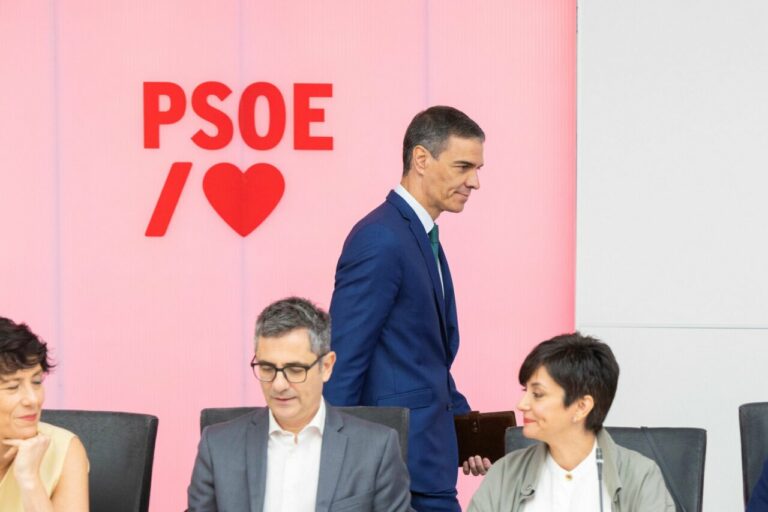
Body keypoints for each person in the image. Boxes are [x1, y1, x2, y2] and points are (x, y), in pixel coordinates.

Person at [323, 105, 488, 511]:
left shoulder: (417, 235)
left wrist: (465, 427)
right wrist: (335, 471)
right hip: (393, 473)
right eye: (463, 166)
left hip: (427, 464)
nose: (475, 182)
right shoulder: (381, 239)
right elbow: (342, 360)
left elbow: (419, 358)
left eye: (477, 168)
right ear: (421, 159)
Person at [187, 297, 412, 512]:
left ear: (326, 366)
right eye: (267, 368)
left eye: (295, 370)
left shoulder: (375, 449)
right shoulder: (217, 446)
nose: (279, 384)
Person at [467, 332, 675, 511]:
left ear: (582, 406)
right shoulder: (504, 473)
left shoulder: (641, 476)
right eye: (526, 391)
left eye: (538, 394)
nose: (522, 404)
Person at [0, 317, 89, 511]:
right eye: (13, 386)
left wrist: (30, 480)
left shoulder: (63, 448)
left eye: (37, 382)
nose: (32, 399)